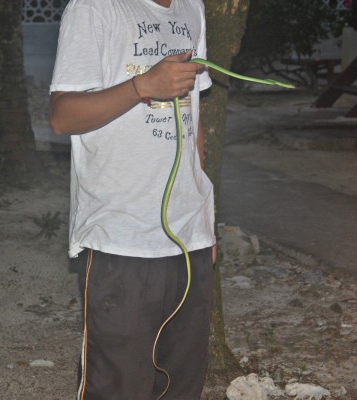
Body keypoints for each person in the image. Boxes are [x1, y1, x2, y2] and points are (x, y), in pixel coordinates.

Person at [50, 0, 216, 399]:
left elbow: (193, 121)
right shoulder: (94, 7)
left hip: (188, 237)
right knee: (119, 387)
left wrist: (207, 225)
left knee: (181, 382)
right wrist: (142, 86)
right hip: (120, 238)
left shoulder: (192, 7)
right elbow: (61, 116)